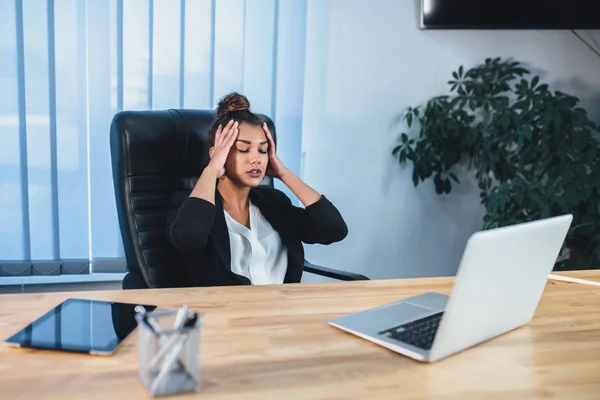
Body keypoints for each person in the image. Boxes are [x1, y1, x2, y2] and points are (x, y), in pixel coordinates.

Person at [167, 92, 348, 287]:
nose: (256, 159)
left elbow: (334, 230)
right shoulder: (189, 205)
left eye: (262, 150)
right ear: (218, 154)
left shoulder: (275, 203)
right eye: (244, 149)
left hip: (284, 310)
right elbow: (190, 238)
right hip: (228, 313)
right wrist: (212, 168)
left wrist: (284, 174)